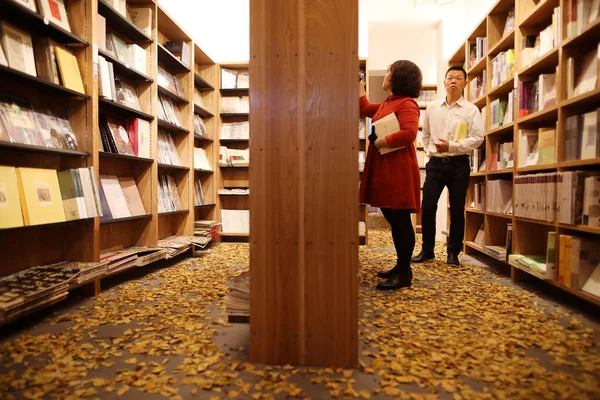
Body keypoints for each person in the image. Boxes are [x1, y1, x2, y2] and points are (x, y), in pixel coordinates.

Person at [411, 65, 484, 267]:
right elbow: (425, 134)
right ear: (444, 82)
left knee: (458, 210)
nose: (453, 81)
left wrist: (452, 146)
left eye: (458, 78)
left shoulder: (471, 110)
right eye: (450, 78)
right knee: (427, 207)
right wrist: (429, 150)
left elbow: (478, 138)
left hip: (459, 164)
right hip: (435, 164)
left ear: (465, 83)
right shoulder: (433, 108)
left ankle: (453, 253)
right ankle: (427, 250)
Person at [359, 60, 421, 290]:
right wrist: (358, 82)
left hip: (398, 169)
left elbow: (409, 134)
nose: (386, 75)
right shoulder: (388, 103)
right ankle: (401, 265)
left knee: (401, 221)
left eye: (389, 71)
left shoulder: (407, 104)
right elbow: (365, 108)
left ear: (398, 77)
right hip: (387, 166)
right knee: (393, 218)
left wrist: (379, 141)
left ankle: (404, 272)